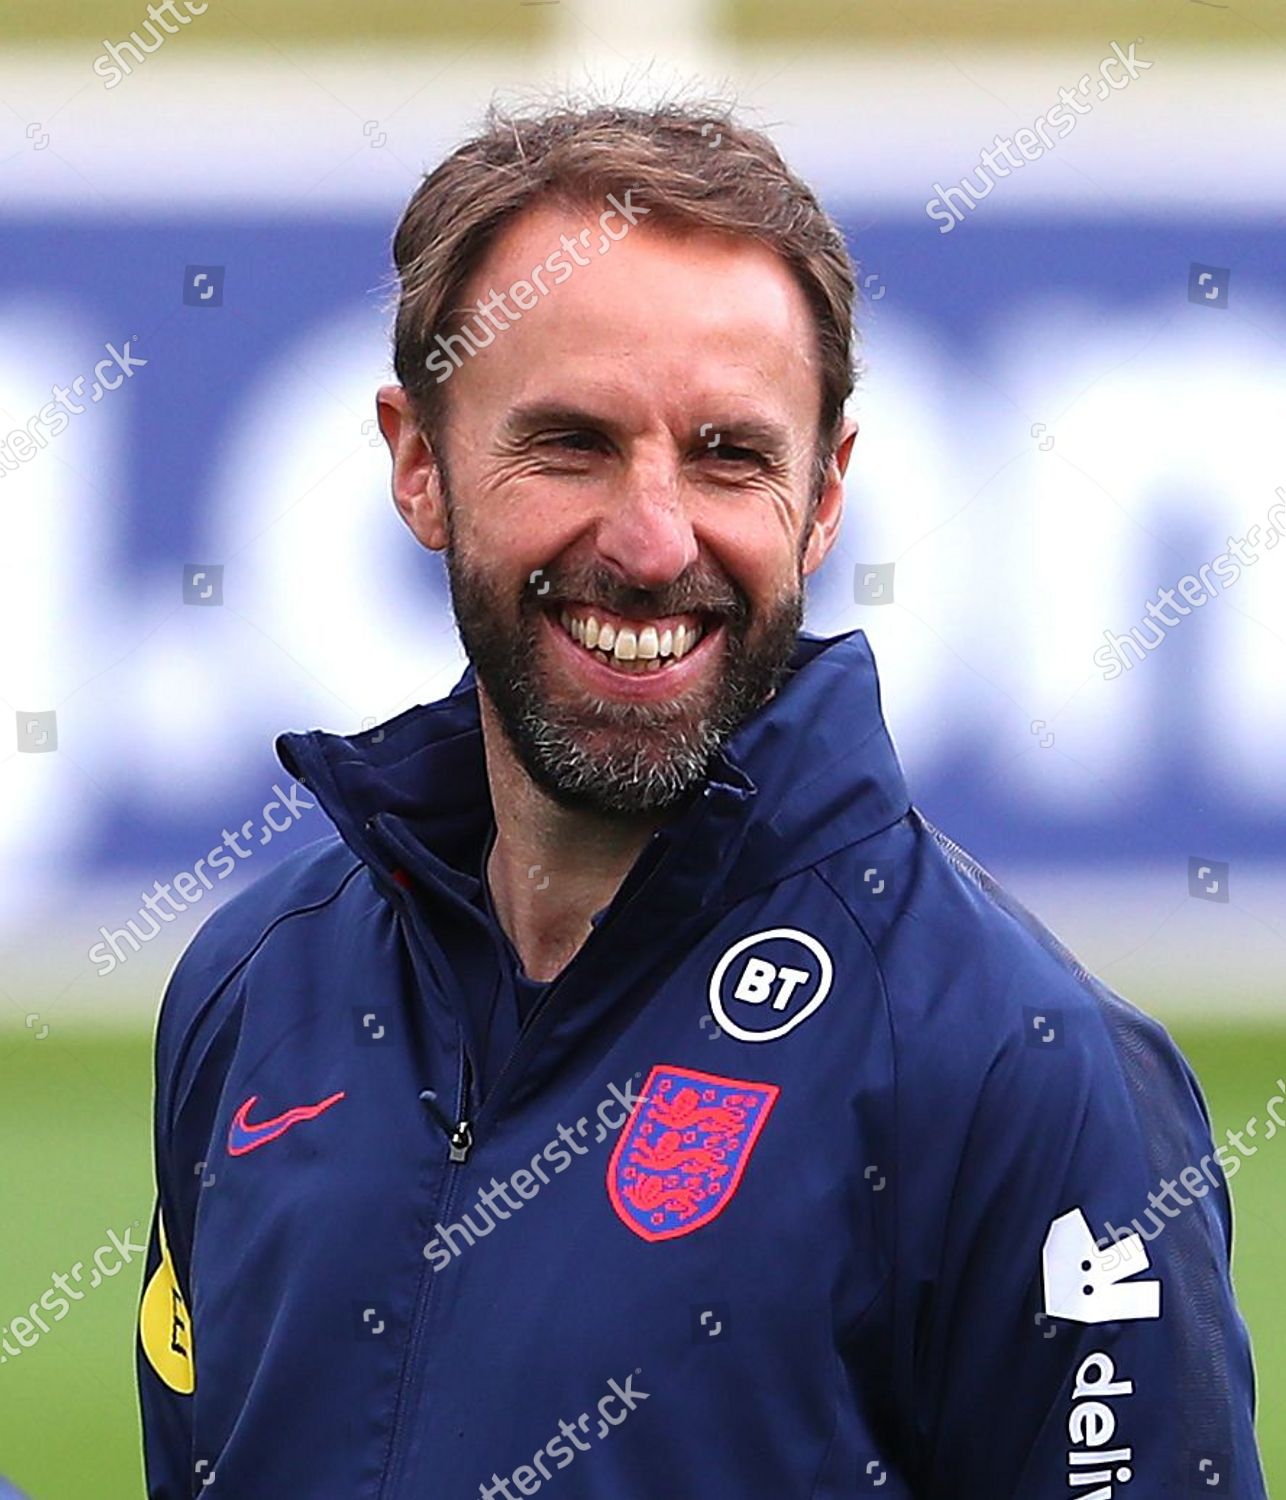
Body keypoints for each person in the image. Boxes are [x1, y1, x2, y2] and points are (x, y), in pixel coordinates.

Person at [137, 100, 1267, 1498]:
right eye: (569, 444)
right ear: (418, 461)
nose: (652, 537)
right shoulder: (254, 991)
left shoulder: (1013, 1065)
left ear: (825, 491)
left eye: (729, 455)